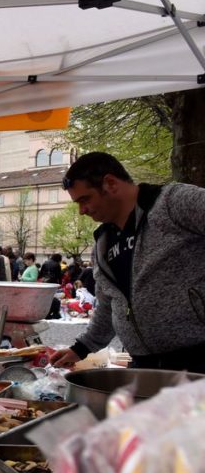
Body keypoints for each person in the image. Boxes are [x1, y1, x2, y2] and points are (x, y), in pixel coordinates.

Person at [49, 152, 205, 371]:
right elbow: (109, 305)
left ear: (111, 183)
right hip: (144, 365)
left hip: (198, 358)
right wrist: (81, 348)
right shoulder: (102, 244)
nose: (82, 211)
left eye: (85, 199)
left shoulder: (173, 202)